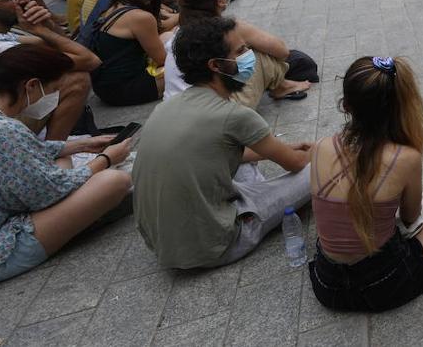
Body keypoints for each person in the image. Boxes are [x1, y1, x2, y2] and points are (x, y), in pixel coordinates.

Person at [133, 16, 314, 269]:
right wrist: (319, 152)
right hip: (216, 245)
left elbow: (218, 152)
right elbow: (296, 164)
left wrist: (272, 151)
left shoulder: (168, 106)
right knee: (319, 168)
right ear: (216, 65)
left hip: (164, 246)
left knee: (243, 163)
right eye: (241, 51)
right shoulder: (234, 115)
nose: (250, 56)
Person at [309, 56, 423, 312]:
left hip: (327, 285)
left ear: (346, 105)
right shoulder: (406, 158)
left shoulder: (321, 148)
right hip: (384, 283)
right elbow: (410, 216)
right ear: (400, 106)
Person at [0, 45, 132, 283]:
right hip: (4, 245)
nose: (50, 99)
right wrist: (106, 159)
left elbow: (19, 155)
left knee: (64, 161)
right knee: (114, 181)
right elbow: (50, 193)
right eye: (50, 91)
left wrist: (78, 146)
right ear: (30, 86)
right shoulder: (6, 129)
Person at [165, 0, 315, 104]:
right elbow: (282, 51)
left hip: (178, 105)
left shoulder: (179, 32)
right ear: (221, 1)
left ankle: (281, 85)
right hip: (213, 110)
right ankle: (282, 87)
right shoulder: (228, 30)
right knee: (257, 53)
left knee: (242, 52)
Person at [0, 0, 98, 141]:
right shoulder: (4, 48)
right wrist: (41, 31)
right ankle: (52, 151)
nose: (21, 0)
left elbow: (60, 48)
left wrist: (48, 26)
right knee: (77, 79)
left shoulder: (3, 36)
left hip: (8, 119)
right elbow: (89, 60)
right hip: (5, 130)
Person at [90, 0, 168, 106]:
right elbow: (163, 59)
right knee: (195, 68)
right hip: (126, 89)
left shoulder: (116, 5)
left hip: (104, 87)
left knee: (168, 37)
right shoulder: (140, 17)